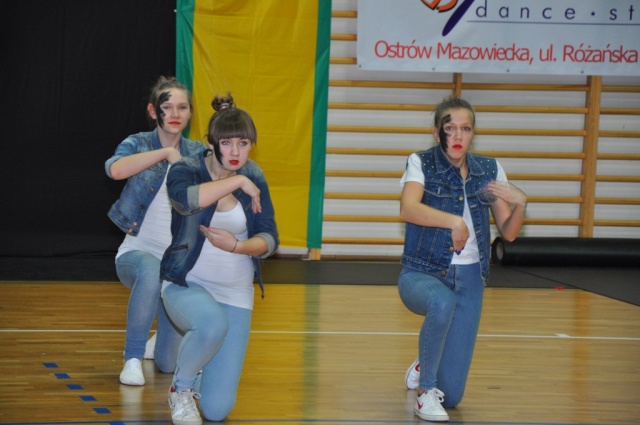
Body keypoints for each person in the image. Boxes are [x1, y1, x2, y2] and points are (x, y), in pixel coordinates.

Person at [398, 95, 528, 422]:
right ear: (436, 133)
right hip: (423, 273)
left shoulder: (488, 169)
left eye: (465, 129)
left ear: (473, 134)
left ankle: (425, 363)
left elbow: (509, 232)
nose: (458, 136)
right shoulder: (421, 162)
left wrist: (521, 204)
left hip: (471, 279)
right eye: (450, 128)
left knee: (453, 396)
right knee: (441, 302)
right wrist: (454, 222)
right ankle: (425, 393)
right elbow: (408, 208)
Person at [158, 94, 279, 425]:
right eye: (227, 143)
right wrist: (237, 181)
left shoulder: (255, 175)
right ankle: (181, 389)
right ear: (211, 143)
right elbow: (185, 200)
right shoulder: (186, 169)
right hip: (185, 283)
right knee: (212, 324)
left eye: (244, 143)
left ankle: (198, 369)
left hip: (236, 293)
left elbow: (269, 238)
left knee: (216, 410)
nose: (236, 152)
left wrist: (237, 246)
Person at [105, 76, 206, 386]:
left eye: (182, 107)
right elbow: (115, 169)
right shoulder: (139, 142)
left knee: (167, 364)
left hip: (176, 266)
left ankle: (156, 341)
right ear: (153, 111)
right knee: (150, 270)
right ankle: (132, 358)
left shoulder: (198, 152)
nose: (175, 113)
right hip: (136, 254)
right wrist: (165, 154)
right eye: (167, 107)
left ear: (190, 113)